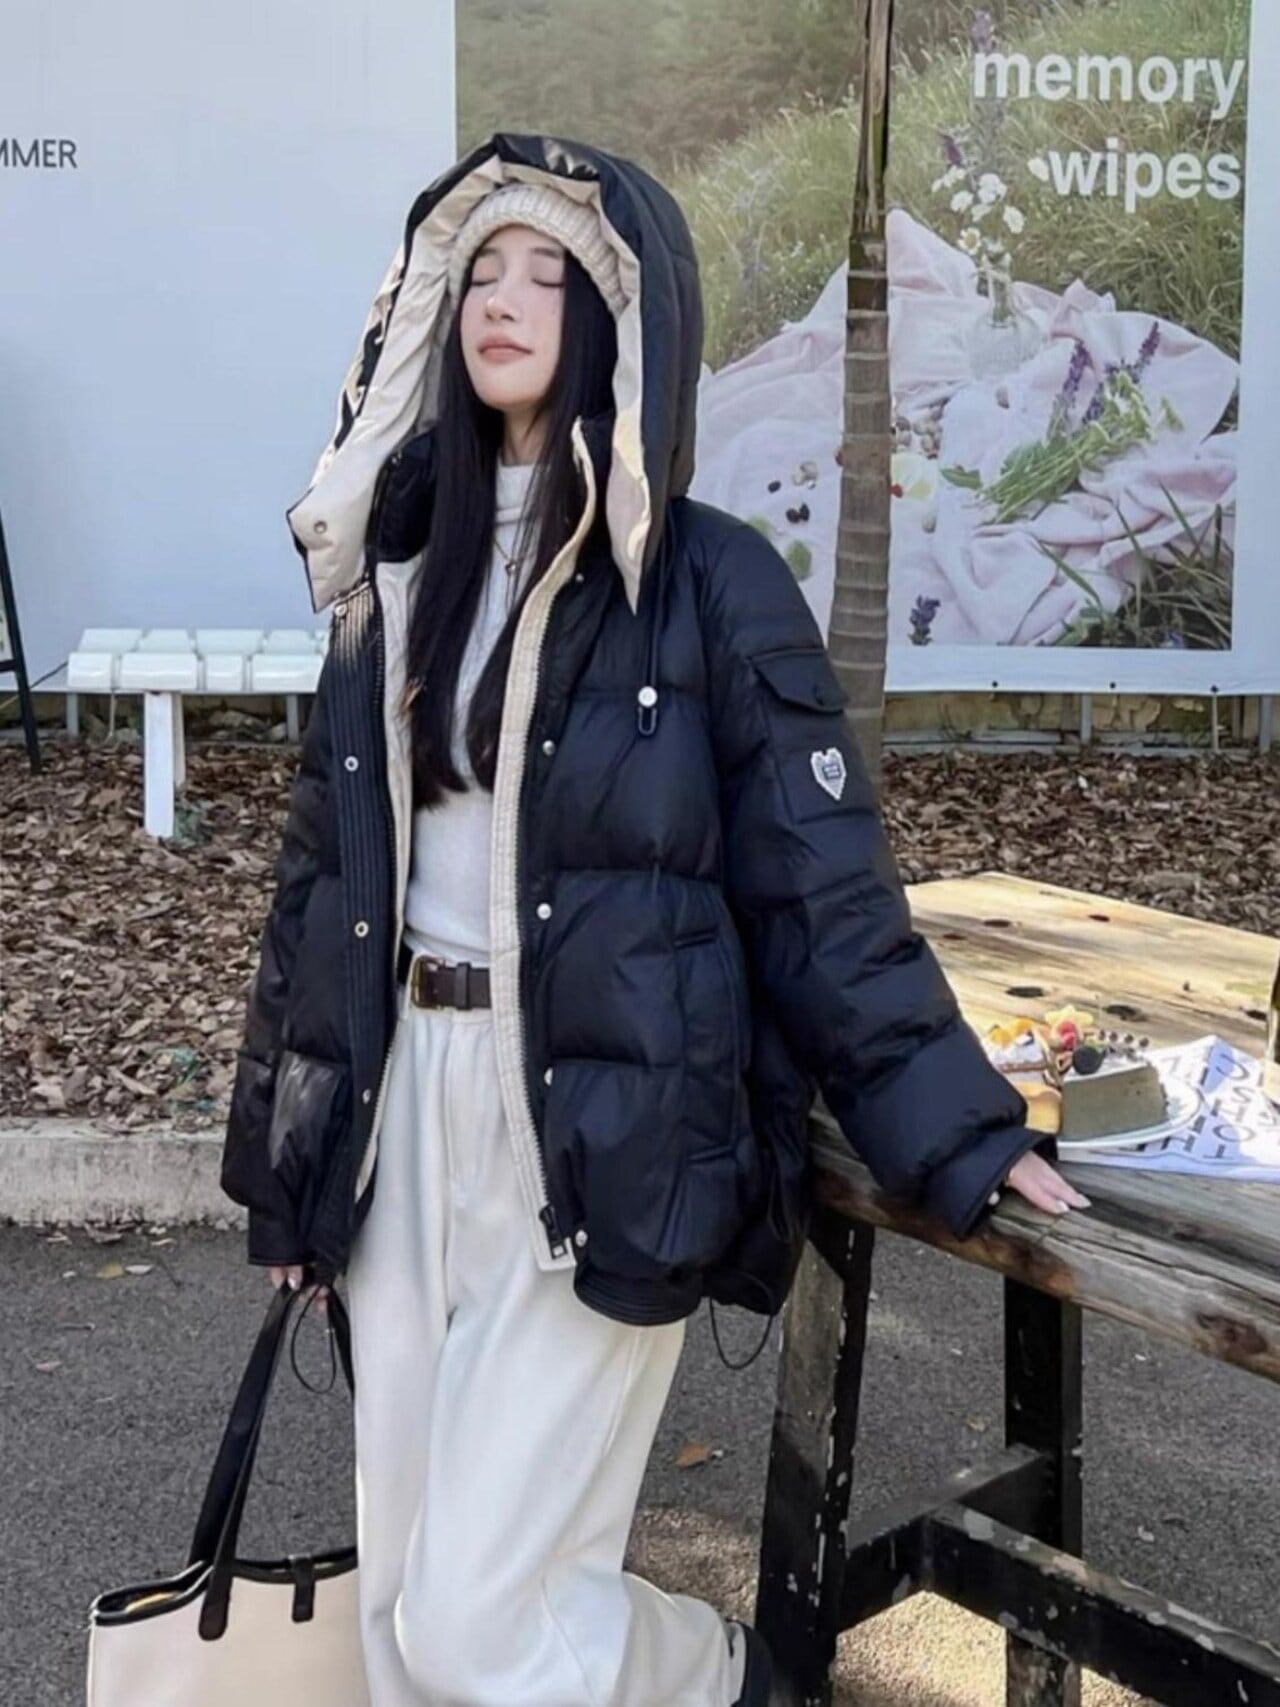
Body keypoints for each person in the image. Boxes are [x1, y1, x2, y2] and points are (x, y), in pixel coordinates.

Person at [220, 133, 1089, 1707]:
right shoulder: (396, 573)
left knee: (483, 1626)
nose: (501, 300)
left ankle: (732, 1680)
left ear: (625, 319)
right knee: (403, 1611)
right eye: (478, 272)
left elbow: (824, 893)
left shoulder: (709, 585)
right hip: (402, 1112)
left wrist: (958, 1126)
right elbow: (317, 889)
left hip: (604, 1123)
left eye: (548, 274)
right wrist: (290, 1168)